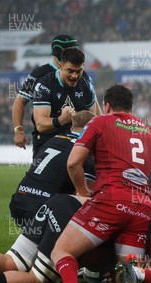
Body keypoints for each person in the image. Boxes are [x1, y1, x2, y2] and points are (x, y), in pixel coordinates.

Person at [33, 85, 151, 283]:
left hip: (110, 201)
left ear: (107, 105)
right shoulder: (149, 131)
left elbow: (73, 162)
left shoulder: (99, 121)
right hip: (140, 210)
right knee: (124, 276)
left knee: (61, 250)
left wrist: (83, 190)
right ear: (130, 106)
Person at [8, 110, 96, 266]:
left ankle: (33, 252)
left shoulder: (54, 139)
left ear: (72, 126)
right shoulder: (84, 153)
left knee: (13, 261)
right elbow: (83, 195)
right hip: (41, 210)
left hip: (18, 200)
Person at [0, 194, 115, 283]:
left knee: (11, 261)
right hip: (71, 216)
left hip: (59, 201)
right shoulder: (131, 233)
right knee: (36, 278)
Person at [12, 35, 100, 155]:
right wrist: (19, 130)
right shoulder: (39, 74)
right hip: (47, 138)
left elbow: (93, 105)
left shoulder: (83, 77)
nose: (75, 75)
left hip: (75, 139)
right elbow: (20, 100)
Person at [30, 48, 99, 158]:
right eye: (70, 71)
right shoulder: (45, 85)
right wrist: (61, 120)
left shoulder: (86, 85)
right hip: (47, 143)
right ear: (60, 67)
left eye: (79, 71)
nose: (75, 76)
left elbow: (91, 121)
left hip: (75, 145)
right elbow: (40, 125)